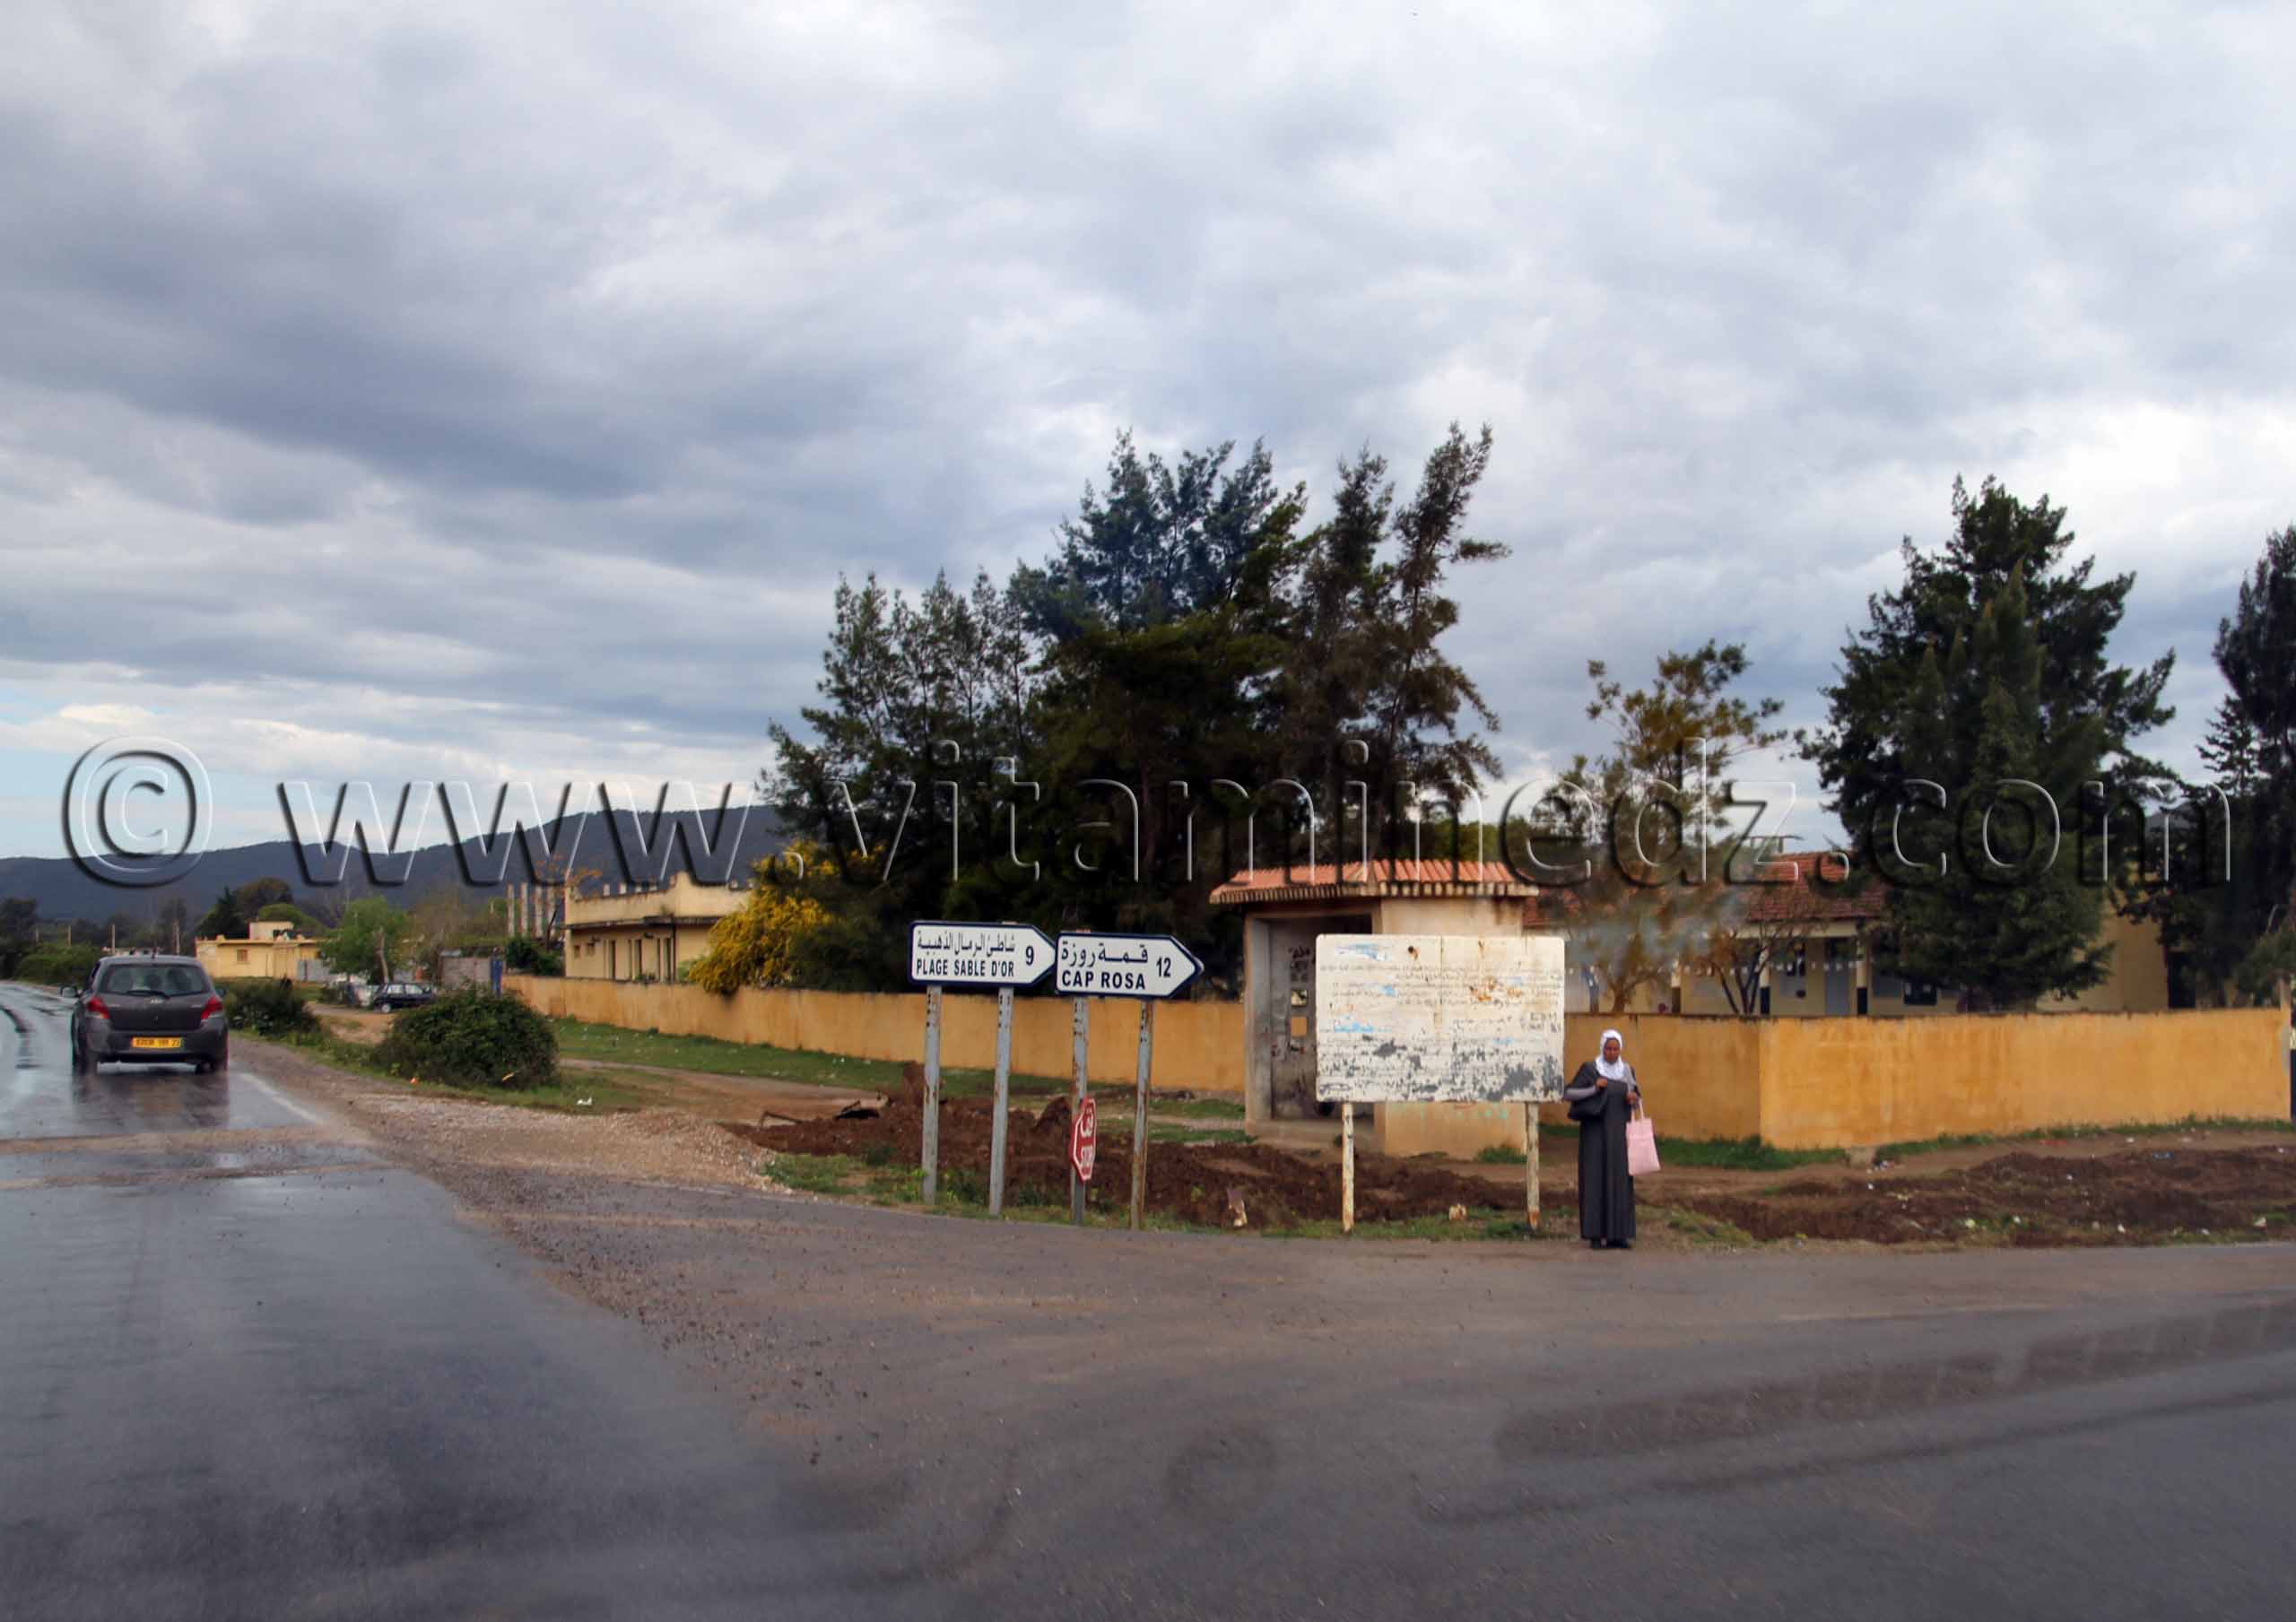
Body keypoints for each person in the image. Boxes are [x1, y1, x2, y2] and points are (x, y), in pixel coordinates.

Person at [1562, 1028, 1641, 1248]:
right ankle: (1595, 1235)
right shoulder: (1590, 1069)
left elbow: (1637, 1102)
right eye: (1608, 1048)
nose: (1612, 1053)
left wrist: (1633, 1098)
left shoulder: (1627, 1071)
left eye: (1616, 1049)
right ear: (1602, 1048)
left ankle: (1618, 1236)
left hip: (1619, 1137)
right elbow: (1568, 1093)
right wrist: (1594, 1089)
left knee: (1620, 1182)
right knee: (1595, 1181)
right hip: (1595, 1136)